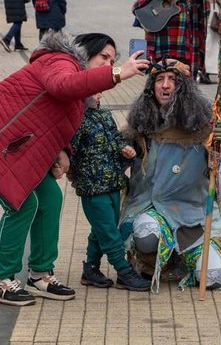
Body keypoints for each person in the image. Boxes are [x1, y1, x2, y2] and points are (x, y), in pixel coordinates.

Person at [0, 32, 149, 306]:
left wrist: (64, 151)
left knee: (51, 198)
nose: (108, 63)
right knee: (22, 204)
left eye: (113, 60)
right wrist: (116, 74)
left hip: (12, 148)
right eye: (103, 57)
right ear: (85, 54)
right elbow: (62, 86)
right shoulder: (59, 60)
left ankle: (40, 274)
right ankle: (1, 281)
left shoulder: (82, 97)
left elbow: (58, 122)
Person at [120, 58, 221, 293]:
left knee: (215, 278)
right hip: (152, 210)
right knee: (146, 235)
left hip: (193, 219)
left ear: (184, 88)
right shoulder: (142, 124)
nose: (165, 85)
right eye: (159, 79)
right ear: (151, 87)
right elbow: (114, 159)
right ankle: (154, 260)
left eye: (172, 80)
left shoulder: (206, 126)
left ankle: (187, 258)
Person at [68, 93, 151, 292]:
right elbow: (69, 150)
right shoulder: (76, 121)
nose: (100, 95)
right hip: (92, 187)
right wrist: (67, 169)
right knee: (108, 232)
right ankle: (124, 271)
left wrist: (124, 149)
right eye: (95, 92)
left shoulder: (104, 115)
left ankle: (90, 269)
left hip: (113, 182)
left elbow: (115, 139)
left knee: (103, 228)